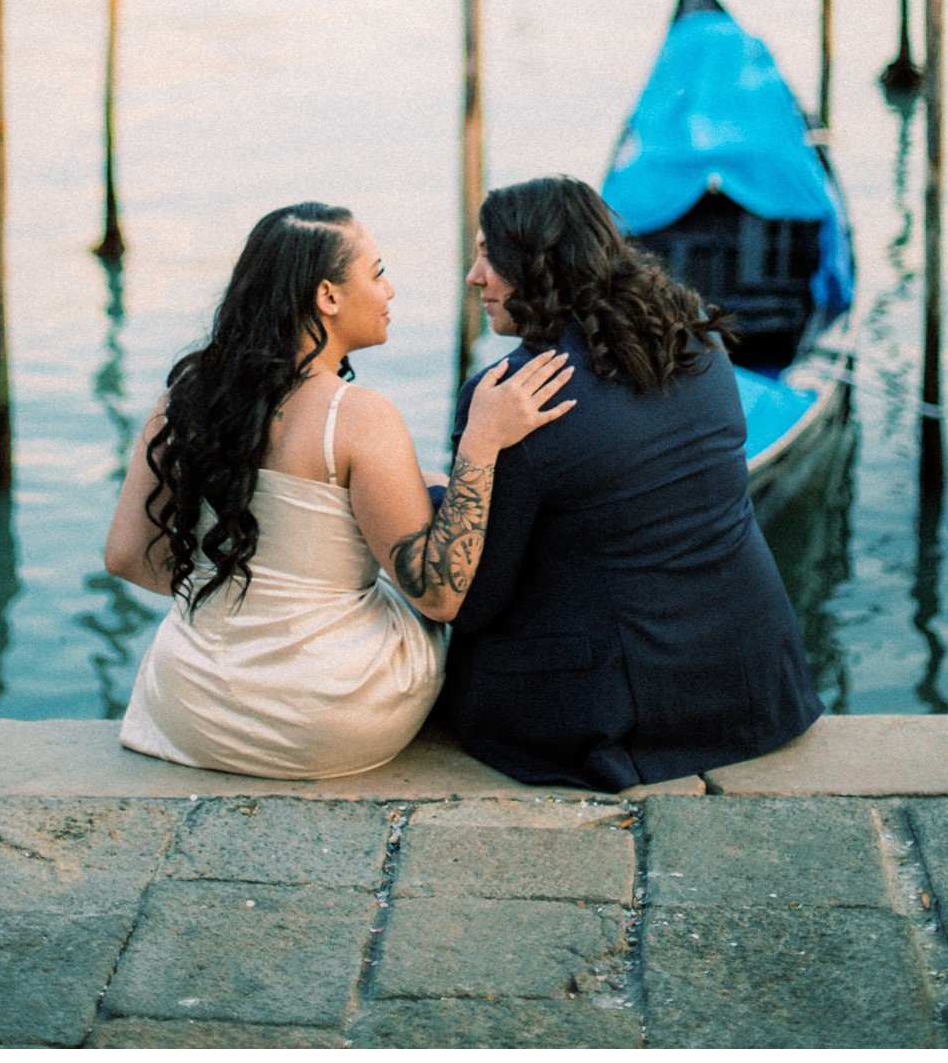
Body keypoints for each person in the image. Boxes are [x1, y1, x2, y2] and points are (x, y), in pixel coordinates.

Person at [105, 201, 573, 779]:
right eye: (377, 274)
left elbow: (125, 555)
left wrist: (232, 592)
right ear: (328, 296)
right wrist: (481, 444)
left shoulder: (186, 399)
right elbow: (439, 596)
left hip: (192, 707)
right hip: (323, 719)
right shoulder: (359, 418)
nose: (390, 291)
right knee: (413, 566)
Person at [439, 175, 824, 790]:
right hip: (754, 688)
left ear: (540, 266)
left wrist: (444, 492)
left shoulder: (514, 397)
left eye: (491, 255)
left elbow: (473, 600)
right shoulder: (692, 331)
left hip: (621, 717)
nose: (475, 275)